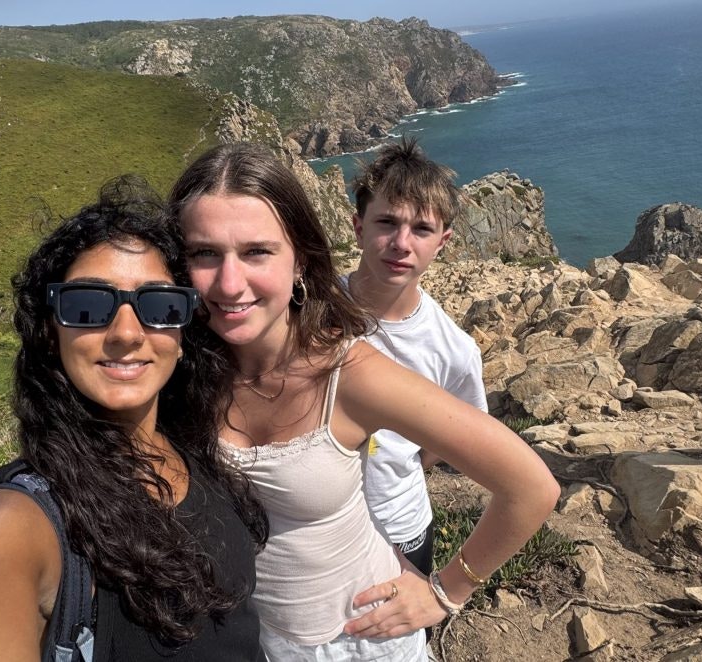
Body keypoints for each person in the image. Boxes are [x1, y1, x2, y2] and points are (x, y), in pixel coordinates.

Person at [169, 143, 560, 661]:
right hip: (247, 633)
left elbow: (530, 485)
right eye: (204, 253)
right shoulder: (176, 363)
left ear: (300, 261)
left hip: (357, 633)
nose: (230, 282)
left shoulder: (357, 371)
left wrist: (447, 591)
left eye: (257, 251)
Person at [0, 176, 268, 661]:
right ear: (48, 327)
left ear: (183, 331)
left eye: (160, 305)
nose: (126, 332)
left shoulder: (190, 446)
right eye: (87, 306)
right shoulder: (8, 532)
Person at [345, 137, 488, 580]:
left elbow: (448, 442)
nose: (401, 243)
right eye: (386, 222)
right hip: (311, 524)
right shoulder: (309, 304)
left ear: (442, 242)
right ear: (358, 227)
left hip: (399, 526)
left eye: (422, 229)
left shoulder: (455, 350)